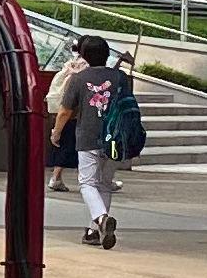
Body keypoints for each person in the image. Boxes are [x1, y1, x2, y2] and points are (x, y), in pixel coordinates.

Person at [46, 35, 141, 247]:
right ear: (107, 54)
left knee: (88, 184)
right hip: (116, 138)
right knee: (104, 184)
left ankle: (101, 219)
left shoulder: (79, 79)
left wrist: (56, 133)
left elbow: (65, 111)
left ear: (84, 55)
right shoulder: (120, 77)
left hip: (88, 138)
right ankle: (94, 232)